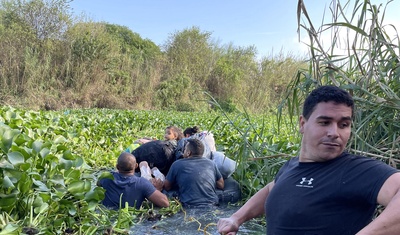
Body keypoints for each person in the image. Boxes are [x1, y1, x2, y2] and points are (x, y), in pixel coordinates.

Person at [217, 85, 400, 235]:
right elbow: (273, 188)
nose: (334, 133)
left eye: (344, 125)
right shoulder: (291, 166)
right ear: (303, 124)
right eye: (324, 122)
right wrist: (236, 218)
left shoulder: (357, 170)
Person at [164, 138, 225, 207]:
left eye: (184, 150)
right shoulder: (211, 163)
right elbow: (221, 185)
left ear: (188, 153)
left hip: (189, 206)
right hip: (212, 203)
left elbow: (167, 187)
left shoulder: (177, 164)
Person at [98, 152, 169, 209]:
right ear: (136, 166)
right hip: (133, 219)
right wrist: (157, 189)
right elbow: (165, 203)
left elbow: (98, 184)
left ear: (117, 167)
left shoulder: (106, 177)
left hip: (109, 215)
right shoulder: (142, 183)